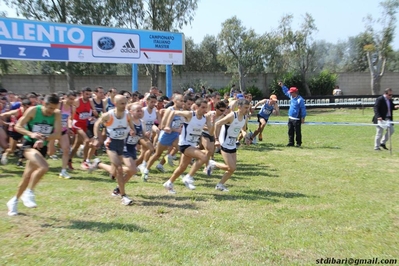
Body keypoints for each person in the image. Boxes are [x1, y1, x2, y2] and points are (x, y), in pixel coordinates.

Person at [6, 94, 62, 216]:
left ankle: (14, 201)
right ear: (44, 104)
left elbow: (58, 134)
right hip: (28, 144)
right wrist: (31, 134)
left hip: (42, 146)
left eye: (54, 108)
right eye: (50, 108)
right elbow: (18, 126)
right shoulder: (33, 110)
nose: (51, 111)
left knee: (27, 177)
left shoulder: (57, 114)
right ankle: (29, 192)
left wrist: (44, 138)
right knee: (44, 167)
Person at [93, 95, 136, 205]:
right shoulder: (109, 115)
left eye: (125, 103)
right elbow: (97, 124)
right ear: (115, 104)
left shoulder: (127, 115)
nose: (124, 105)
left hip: (122, 144)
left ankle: (98, 164)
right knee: (119, 168)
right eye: (121, 103)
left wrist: (132, 130)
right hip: (111, 144)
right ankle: (123, 196)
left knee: (114, 171)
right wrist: (96, 138)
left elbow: (131, 125)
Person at [162, 99, 213, 193]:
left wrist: (210, 120)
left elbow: (211, 131)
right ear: (197, 107)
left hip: (192, 144)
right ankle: (188, 177)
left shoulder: (205, 118)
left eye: (206, 108)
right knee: (204, 156)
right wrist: (168, 125)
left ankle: (169, 183)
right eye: (202, 107)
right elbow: (173, 112)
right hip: (184, 144)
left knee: (182, 167)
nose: (205, 110)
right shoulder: (190, 114)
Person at [208, 99, 250, 192]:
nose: (247, 109)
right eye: (246, 108)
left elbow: (242, 129)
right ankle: (212, 163)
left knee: (232, 169)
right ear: (239, 107)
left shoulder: (245, 117)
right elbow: (218, 124)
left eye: (248, 107)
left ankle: (219, 185)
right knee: (232, 167)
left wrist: (245, 136)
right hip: (224, 142)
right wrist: (216, 139)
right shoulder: (232, 116)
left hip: (232, 143)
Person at [279, 82, 307, 147]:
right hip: (290, 117)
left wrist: (303, 117)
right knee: (290, 131)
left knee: (297, 132)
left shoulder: (300, 100)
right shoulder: (291, 97)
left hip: (297, 118)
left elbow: (303, 109)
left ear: (295, 93)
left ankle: (298, 143)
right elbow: (286, 91)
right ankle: (291, 142)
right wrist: (282, 86)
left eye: (291, 92)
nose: (290, 93)